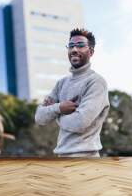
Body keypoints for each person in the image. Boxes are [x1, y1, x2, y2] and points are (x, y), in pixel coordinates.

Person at [34, 28, 110, 158]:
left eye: (80, 45)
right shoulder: (61, 83)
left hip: (86, 159)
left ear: (91, 51)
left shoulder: (96, 82)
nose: (74, 50)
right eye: (71, 46)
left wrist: (55, 113)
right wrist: (59, 108)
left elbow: (79, 123)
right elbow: (39, 118)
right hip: (61, 157)